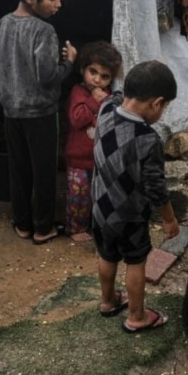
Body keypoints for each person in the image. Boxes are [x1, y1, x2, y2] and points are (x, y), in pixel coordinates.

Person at [0, 0, 76, 245]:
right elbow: (48, 77)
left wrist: (11, 81)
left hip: (11, 112)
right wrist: (69, 63)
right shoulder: (44, 31)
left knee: (19, 169)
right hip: (42, 115)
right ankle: (43, 227)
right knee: (45, 171)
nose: (58, 4)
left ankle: (21, 223)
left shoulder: (1, 25)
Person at [92, 61, 180, 332]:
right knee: (135, 261)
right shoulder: (147, 139)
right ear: (157, 102)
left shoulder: (106, 109)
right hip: (129, 216)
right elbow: (155, 188)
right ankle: (136, 317)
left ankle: (107, 302)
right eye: (164, 107)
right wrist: (169, 220)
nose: (162, 112)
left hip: (100, 208)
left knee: (106, 255)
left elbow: (118, 96)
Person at [64, 41, 123, 243]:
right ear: (83, 69)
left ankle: (94, 223)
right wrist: (93, 102)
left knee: (97, 194)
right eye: (93, 72)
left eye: (105, 76)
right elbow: (77, 118)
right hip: (78, 157)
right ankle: (76, 227)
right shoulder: (78, 92)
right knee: (78, 194)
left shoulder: (108, 97)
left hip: (99, 158)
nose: (97, 80)